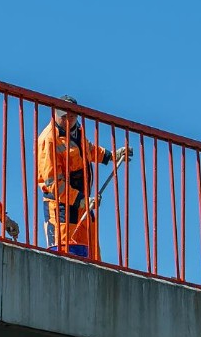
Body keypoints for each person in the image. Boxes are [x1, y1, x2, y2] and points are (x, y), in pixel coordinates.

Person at [37, 95, 132, 261]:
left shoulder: (77, 131)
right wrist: (81, 200)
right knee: (65, 256)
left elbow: (88, 150)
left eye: (72, 116)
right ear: (55, 114)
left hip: (83, 205)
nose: (68, 119)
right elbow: (53, 183)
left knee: (93, 258)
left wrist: (111, 156)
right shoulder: (49, 139)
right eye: (64, 116)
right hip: (61, 210)